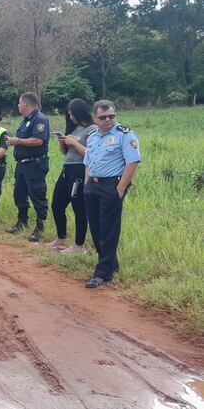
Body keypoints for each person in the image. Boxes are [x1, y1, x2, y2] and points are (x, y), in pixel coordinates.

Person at [83, 100, 141, 288]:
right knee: (96, 228)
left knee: (108, 229)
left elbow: (133, 162)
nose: (108, 120)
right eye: (103, 117)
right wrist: (86, 184)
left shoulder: (124, 135)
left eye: (111, 116)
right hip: (93, 185)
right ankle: (111, 264)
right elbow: (88, 162)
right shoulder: (92, 136)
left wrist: (120, 188)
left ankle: (103, 273)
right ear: (94, 118)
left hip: (112, 185)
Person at [46, 99, 98, 254]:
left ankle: (78, 245)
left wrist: (75, 144)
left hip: (80, 170)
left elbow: (92, 153)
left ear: (80, 112)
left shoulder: (92, 129)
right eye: (68, 114)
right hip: (66, 169)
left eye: (72, 114)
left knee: (79, 208)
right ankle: (60, 238)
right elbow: (66, 153)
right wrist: (63, 142)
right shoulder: (74, 129)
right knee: (57, 204)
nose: (71, 117)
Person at [5, 92, 50, 242]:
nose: (18, 106)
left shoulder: (40, 119)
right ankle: (21, 222)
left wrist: (17, 141)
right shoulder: (25, 121)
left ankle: (40, 227)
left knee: (37, 194)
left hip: (35, 164)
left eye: (19, 103)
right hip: (22, 164)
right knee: (19, 194)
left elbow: (38, 140)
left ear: (26, 103)